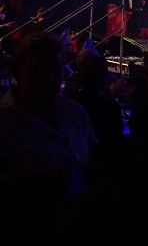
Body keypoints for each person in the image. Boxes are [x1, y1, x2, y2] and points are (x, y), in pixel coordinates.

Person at [0, 31, 97, 242]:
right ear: (17, 72)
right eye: (37, 71)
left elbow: (93, 162)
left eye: (55, 70)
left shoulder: (75, 112)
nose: (48, 79)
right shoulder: (4, 123)